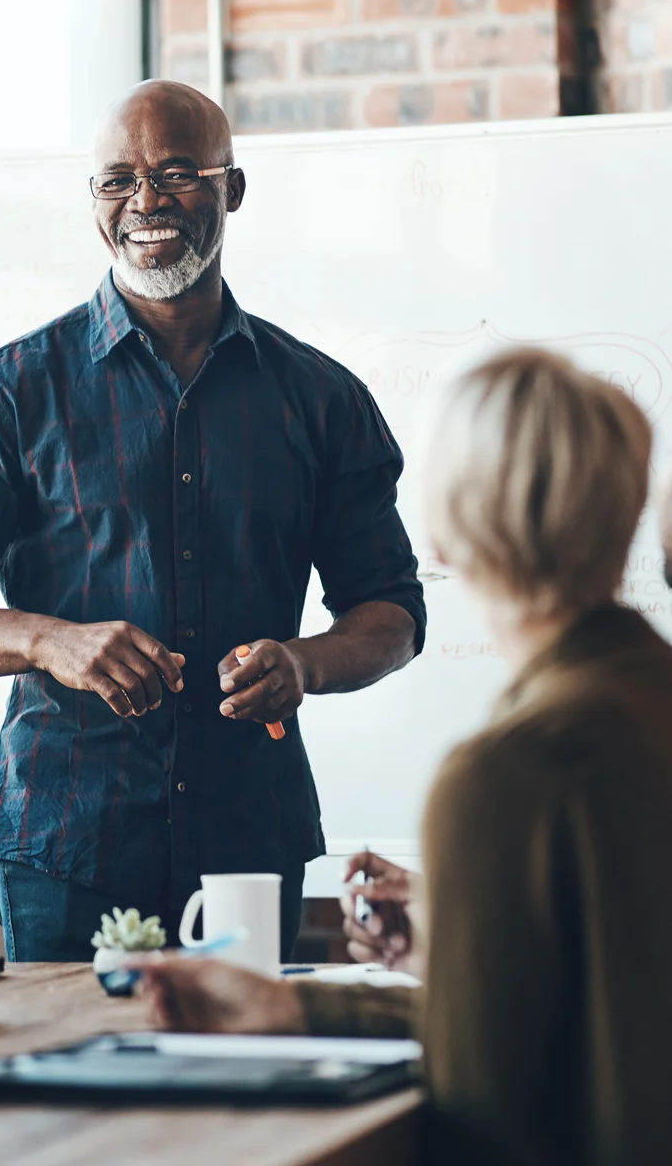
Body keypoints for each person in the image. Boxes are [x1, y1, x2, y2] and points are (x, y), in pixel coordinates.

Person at [0, 80, 425, 963]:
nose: (146, 203)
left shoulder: (321, 401)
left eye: (176, 173)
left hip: (249, 844)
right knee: (66, 1101)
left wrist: (305, 663)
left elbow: (394, 611)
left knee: (242, 1096)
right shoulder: (6, 393)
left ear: (231, 189)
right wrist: (49, 640)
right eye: (117, 181)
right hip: (67, 847)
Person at [140, 348, 672, 1166]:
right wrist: (454, 951)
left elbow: (483, 1094)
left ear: (448, 534)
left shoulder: (507, 775)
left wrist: (299, 1010)